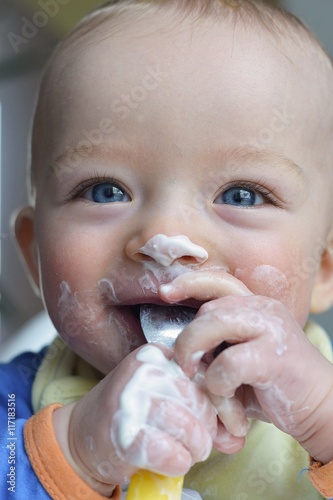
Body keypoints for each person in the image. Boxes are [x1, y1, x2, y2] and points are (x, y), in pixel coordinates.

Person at [2, 0, 333, 497]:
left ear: (325, 269)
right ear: (35, 256)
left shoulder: (323, 405)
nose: (165, 238)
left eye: (241, 195)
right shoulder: (12, 411)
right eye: (104, 190)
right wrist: (75, 451)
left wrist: (321, 418)